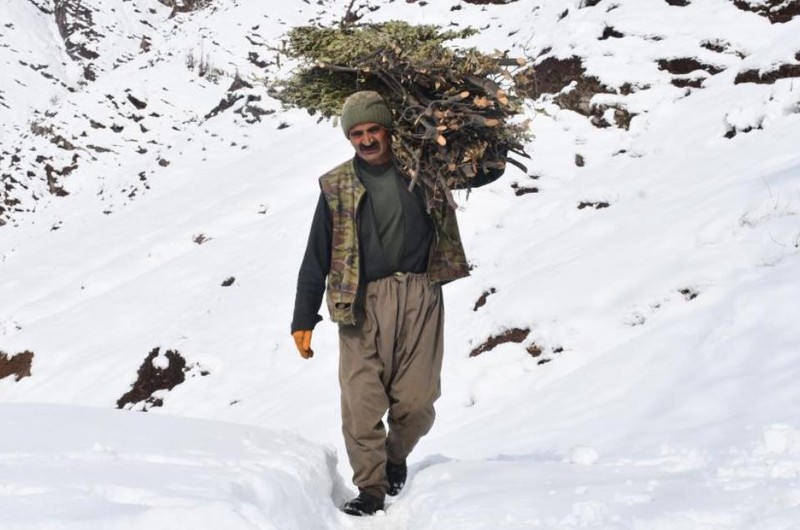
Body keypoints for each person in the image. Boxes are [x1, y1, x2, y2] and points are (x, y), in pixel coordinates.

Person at [291, 90, 502, 516]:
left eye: (373, 130)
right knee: (362, 401)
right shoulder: (336, 186)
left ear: (387, 130)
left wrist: (489, 131)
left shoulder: (423, 169)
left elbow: (483, 173)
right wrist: (303, 317)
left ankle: (395, 457)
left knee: (418, 399)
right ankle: (370, 488)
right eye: (357, 134)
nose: (366, 140)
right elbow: (317, 254)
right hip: (360, 302)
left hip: (420, 293)